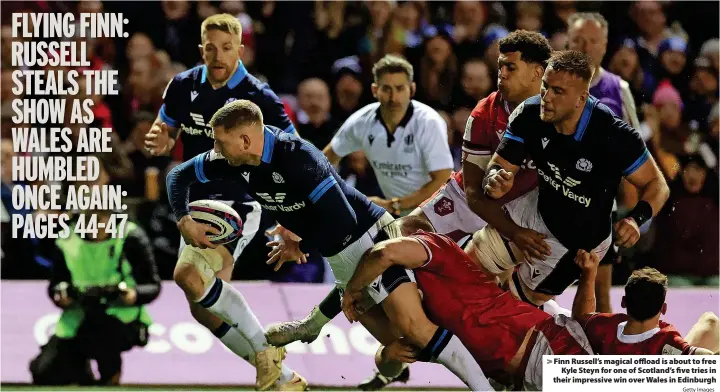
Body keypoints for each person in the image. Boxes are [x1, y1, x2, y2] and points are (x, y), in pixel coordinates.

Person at [166, 100, 489, 390]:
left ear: (246, 140)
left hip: (369, 238)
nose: (215, 150)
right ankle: (383, 373)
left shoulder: (296, 158)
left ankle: (494, 384)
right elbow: (178, 176)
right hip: (342, 254)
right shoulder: (230, 158)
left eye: (220, 143)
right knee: (396, 347)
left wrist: (302, 239)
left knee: (417, 329)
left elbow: (341, 221)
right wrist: (184, 218)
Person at [143, 14, 303, 391]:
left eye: (227, 48)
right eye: (210, 48)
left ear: (240, 50)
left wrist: (293, 215)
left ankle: (268, 352)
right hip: (195, 200)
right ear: (201, 49)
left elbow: (295, 152)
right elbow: (164, 131)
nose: (218, 55)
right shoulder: (182, 85)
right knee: (201, 307)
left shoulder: (259, 96)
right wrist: (159, 139)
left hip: (237, 203)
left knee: (188, 277)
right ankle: (280, 376)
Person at [479, 50, 669, 308]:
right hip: (535, 209)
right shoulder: (530, 112)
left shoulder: (613, 135)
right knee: (469, 265)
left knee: (510, 305)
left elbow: (658, 185)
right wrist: (495, 178)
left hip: (576, 243)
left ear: (582, 98)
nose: (546, 97)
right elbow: (499, 166)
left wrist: (636, 220)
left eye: (558, 91)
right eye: (545, 86)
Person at [342, 216, 593, 391]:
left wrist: (351, 289)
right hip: (521, 375)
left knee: (623, 378)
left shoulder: (438, 249)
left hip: (545, 348)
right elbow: (388, 362)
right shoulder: (417, 310)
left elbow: (385, 253)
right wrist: (388, 354)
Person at [29, 155, 161, 386]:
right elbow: (54, 286)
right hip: (80, 313)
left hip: (120, 316)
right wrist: (62, 296)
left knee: (98, 334)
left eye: (102, 221)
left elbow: (153, 285)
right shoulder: (66, 240)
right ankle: (83, 372)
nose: (97, 228)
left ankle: (109, 373)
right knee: (43, 372)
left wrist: (133, 295)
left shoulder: (131, 237)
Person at [567, 11, 643, 313]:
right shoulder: (547, 85)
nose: (585, 47)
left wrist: (631, 207)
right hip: (548, 201)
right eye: (578, 40)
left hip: (600, 206)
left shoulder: (617, 90)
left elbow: (636, 151)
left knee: (600, 297)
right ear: (566, 42)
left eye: (592, 41)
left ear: (604, 45)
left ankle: (600, 357)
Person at [571, 255, 718, 355]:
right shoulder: (666, 341)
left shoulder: (604, 327)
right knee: (711, 321)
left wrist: (589, 273)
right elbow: (703, 358)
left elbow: (579, 319)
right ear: (664, 308)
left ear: (623, 302)